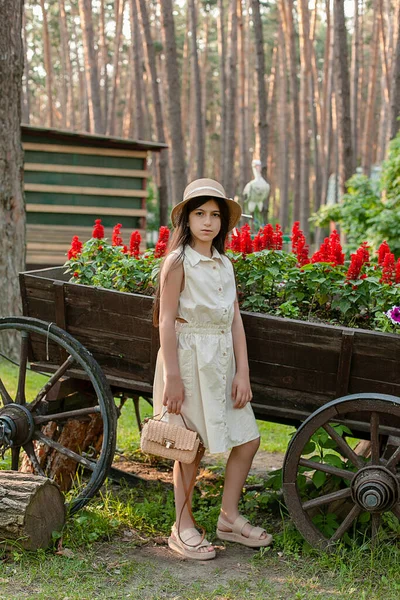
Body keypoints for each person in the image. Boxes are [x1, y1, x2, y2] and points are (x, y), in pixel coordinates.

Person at [152, 178, 272, 560]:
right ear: (187, 219)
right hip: (188, 359)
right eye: (200, 213)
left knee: (248, 437)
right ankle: (182, 525)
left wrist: (243, 373)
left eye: (215, 215)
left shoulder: (224, 264)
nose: (207, 222)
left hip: (222, 359)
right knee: (190, 445)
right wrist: (172, 375)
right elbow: (166, 321)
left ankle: (228, 517)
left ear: (223, 222)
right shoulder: (178, 262)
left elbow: (235, 320)